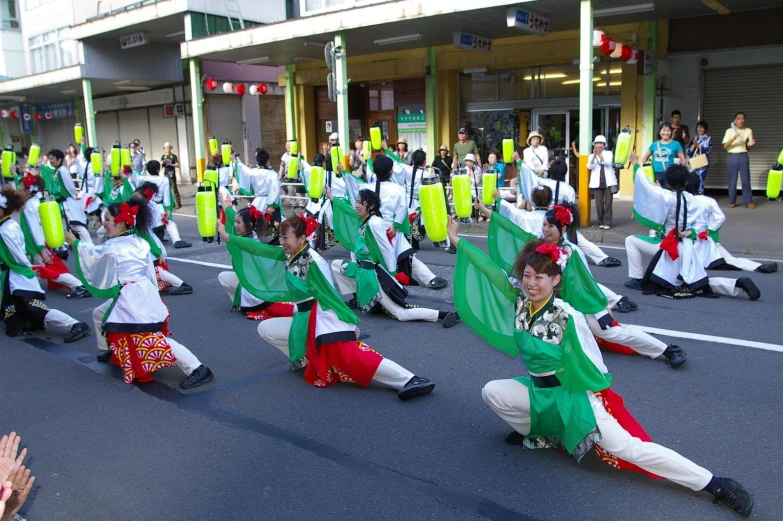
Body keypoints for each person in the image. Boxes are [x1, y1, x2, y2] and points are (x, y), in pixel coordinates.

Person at [447, 225, 753, 518]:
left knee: (630, 448)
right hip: (540, 391)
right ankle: (543, 433)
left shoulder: (569, 317)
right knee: (492, 392)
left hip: (574, 395)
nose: (531, 282)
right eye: (527, 275)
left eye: (540, 276)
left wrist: (592, 399)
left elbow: (595, 365)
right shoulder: (520, 304)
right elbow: (488, 272)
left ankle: (713, 483)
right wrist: (457, 241)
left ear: (555, 280)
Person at [225, 213, 437, 399]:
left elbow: (330, 296)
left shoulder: (313, 261)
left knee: (353, 356)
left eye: (285, 237)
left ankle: (409, 379)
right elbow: (260, 250)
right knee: (266, 329)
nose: (281, 241)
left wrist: (349, 321)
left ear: (301, 238)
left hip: (322, 318)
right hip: (304, 318)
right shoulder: (291, 253)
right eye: (280, 236)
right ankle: (310, 357)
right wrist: (229, 238)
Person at [67, 199, 214, 388]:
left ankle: (197, 368)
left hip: (132, 297)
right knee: (100, 314)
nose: (104, 223)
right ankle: (108, 349)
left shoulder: (115, 246)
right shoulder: (138, 241)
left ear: (121, 222)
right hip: (139, 291)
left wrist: (75, 243)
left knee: (151, 338)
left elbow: (95, 254)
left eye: (108, 219)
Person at [328, 187, 459, 325]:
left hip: (373, 276)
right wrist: (331, 196)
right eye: (356, 202)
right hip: (361, 271)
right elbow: (348, 211)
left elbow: (387, 250)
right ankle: (358, 298)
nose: (356, 205)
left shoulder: (374, 222)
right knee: (336, 265)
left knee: (400, 313)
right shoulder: (365, 220)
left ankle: (443, 314)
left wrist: (391, 276)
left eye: (360, 202)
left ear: (371, 205)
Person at [635, 164, 760, 300]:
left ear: (668, 183)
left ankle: (734, 284)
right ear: (686, 182)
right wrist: (689, 232)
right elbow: (700, 225)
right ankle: (735, 284)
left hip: (671, 248)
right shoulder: (692, 200)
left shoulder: (666, 197)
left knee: (665, 281)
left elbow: (646, 187)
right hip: (688, 246)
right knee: (696, 281)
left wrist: (636, 164)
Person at [0, 185, 91, 341]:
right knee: (19, 307)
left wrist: (28, 265)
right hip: (15, 274)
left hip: (19, 275)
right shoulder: (8, 225)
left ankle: (75, 324)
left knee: (35, 308)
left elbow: (16, 254)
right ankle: (27, 321)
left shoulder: (6, 229)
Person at [216, 196, 296, 320]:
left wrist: (222, 231)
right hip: (249, 280)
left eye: (238, 222)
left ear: (250, 224)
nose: (235, 225)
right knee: (223, 276)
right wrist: (220, 198)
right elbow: (231, 213)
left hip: (256, 284)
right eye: (235, 222)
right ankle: (240, 302)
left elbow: (230, 238)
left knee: (280, 308)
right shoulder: (245, 234)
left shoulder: (250, 242)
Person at [17, 173, 89, 299]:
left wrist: (41, 249)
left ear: (29, 190)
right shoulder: (40, 201)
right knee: (47, 268)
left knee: (48, 270)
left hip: (40, 243)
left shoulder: (30, 205)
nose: (18, 190)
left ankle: (79, 285)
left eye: (21, 188)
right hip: (47, 240)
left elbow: (35, 228)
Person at [131, 185, 194, 296]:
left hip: (151, 248)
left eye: (136, 196)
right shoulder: (141, 211)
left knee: (158, 272)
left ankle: (183, 285)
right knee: (155, 272)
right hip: (147, 246)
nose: (132, 197)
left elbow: (147, 237)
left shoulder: (143, 213)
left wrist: (158, 253)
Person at [140, 160, 192, 249]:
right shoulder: (163, 180)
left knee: (147, 223)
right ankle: (177, 241)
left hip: (147, 205)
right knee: (169, 222)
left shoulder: (143, 179)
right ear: (158, 169)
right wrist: (168, 208)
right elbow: (167, 195)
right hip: (159, 205)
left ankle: (148, 240)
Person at [45, 149, 92, 243]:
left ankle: (89, 245)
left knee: (77, 225)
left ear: (59, 160)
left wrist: (72, 197)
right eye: (49, 159)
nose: (50, 161)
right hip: (63, 203)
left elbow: (70, 187)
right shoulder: (56, 171)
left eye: (52, 158)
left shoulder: (62, 171)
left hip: (68, 203)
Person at [236, 149, 283, 243]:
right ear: (268, 161)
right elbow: (275, 189)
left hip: (257, 202)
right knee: (272, 225)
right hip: (269, 202)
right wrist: (272, 204)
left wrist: (237, 160)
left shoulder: (252, 172)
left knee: (255, 224)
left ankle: (255, 242)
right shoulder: (272, 174)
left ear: (257, 161)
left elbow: (242, 169)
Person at [723, 112, 755, 209]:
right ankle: (732, 201)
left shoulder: (748, 131)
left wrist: (749, 145)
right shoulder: (729, 131)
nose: (741, 120)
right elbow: (725, 146)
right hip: (732, 156)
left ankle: (748, 201)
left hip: (743, 155)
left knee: (745, 179)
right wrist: (734, 137)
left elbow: (748, 147)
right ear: (735, 121)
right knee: (732, 180)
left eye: (743, 118)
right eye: (738, 118)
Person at [587, 135, 617, 230]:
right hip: (597, 183)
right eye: (597, 143)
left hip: (608, 182)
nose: (599, 145)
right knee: (598, 203)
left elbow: (608, 162)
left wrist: (599, 155)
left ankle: (607, 222)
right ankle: (600, 221)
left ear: (604, 145)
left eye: (601, 143)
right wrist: (594, 156)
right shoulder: (591, 155)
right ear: (594, 145)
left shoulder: (609, 153)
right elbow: (589, 167)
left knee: (608, 203)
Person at [687, 120, 712, 194]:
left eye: (702, 128)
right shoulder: (694, 138)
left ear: (705, 129)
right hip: (694, 163)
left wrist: (698, 146)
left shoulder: (708, 139)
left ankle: (700, 196)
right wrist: (693, 146)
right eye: (698, 128)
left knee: (701, 181)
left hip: (702, 164)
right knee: (692, 180)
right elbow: (688, 152)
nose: (700, 129)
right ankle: (693, 195)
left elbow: (708, 151)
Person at [161, 142, 181, 209]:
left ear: (171, 148)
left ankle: (178, 203)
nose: (168, 149)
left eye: (169, 148)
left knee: (174, 189)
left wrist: (170, 164)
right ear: (164, 149)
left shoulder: (174, 156)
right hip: (165, 174)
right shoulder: (163, 156)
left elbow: (177, 165)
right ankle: (171, 203)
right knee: (167, 189)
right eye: (166, 148)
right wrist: (162, 164)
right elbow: (161, 165)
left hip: (172, 174)